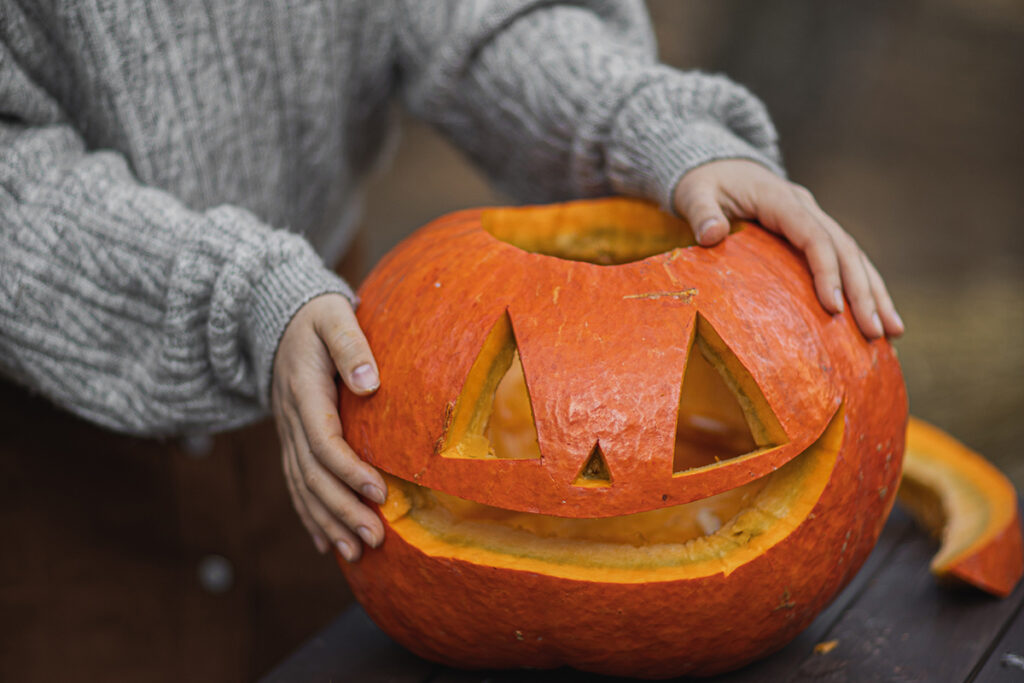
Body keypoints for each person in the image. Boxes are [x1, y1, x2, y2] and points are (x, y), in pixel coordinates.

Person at [0, 1, 903, 565]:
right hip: (58, 425)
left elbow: (481, 15)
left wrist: (650, 126)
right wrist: (241, 299)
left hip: (339, 386)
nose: (597, 468)